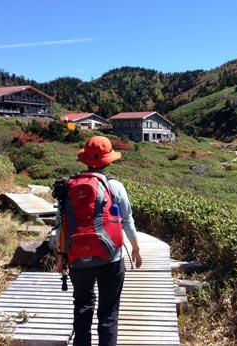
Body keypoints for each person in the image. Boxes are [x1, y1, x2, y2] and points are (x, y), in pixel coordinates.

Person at [57, 136, 142, 346]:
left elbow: (61, 224)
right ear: (109, 160)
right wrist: (136, 248)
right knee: (108, 313)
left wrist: (61, 256)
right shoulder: (115, 186)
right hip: (110, 258)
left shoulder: (69, 186)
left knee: (82, 307)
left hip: (77, 257)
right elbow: (127, 220)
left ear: (84, 159)